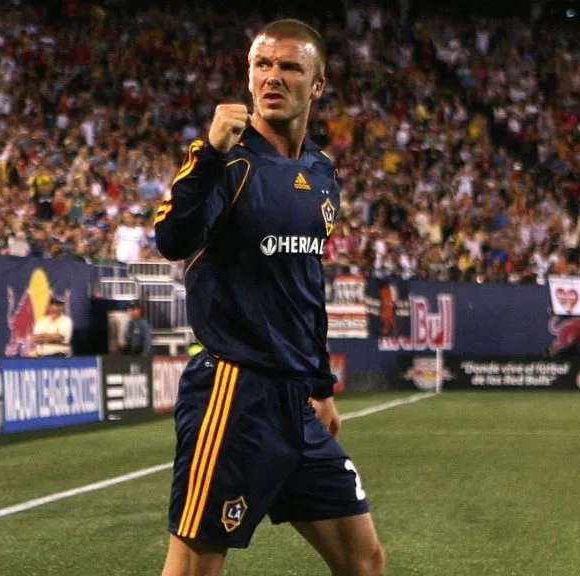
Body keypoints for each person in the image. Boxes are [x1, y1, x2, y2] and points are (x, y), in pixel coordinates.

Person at [153, 19, 385, 576]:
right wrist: (208, 152)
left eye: (289, 67)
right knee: (195, 566)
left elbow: (304, 289)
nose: (272, 77)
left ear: (318, 85)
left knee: (365, 560)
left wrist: (320, 386)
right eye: (262, 64)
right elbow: (172, 240)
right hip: (233, 395)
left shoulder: (321, 172)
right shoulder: (227, 162)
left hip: (296, 403)